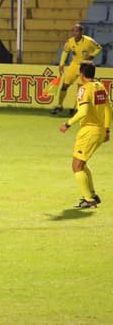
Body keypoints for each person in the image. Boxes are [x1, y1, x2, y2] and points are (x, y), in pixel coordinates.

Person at [59, 62, 110, 208]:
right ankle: (92, 195)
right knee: (82, 164)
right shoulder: (100, 86)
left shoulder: (84, 89)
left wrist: (67, 124)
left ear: (81, 74)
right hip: (99, 131)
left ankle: (89, 200)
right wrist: (106, 130)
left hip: (89, 131)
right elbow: (108, 109)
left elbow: (83, 112)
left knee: (76, 166)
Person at [50, 23, 102, 115]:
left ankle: (75, 108)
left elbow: (99, 48)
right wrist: (61, 64)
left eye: (77, 31)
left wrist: (92, 56)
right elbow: (65, 52)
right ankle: (59, 106)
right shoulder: (70, 41)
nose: (75, 33)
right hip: (74, 65)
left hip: (85, 66)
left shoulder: (89, 41)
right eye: (74, 31)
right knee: (64, 86)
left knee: (80, 88)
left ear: (81, 32)